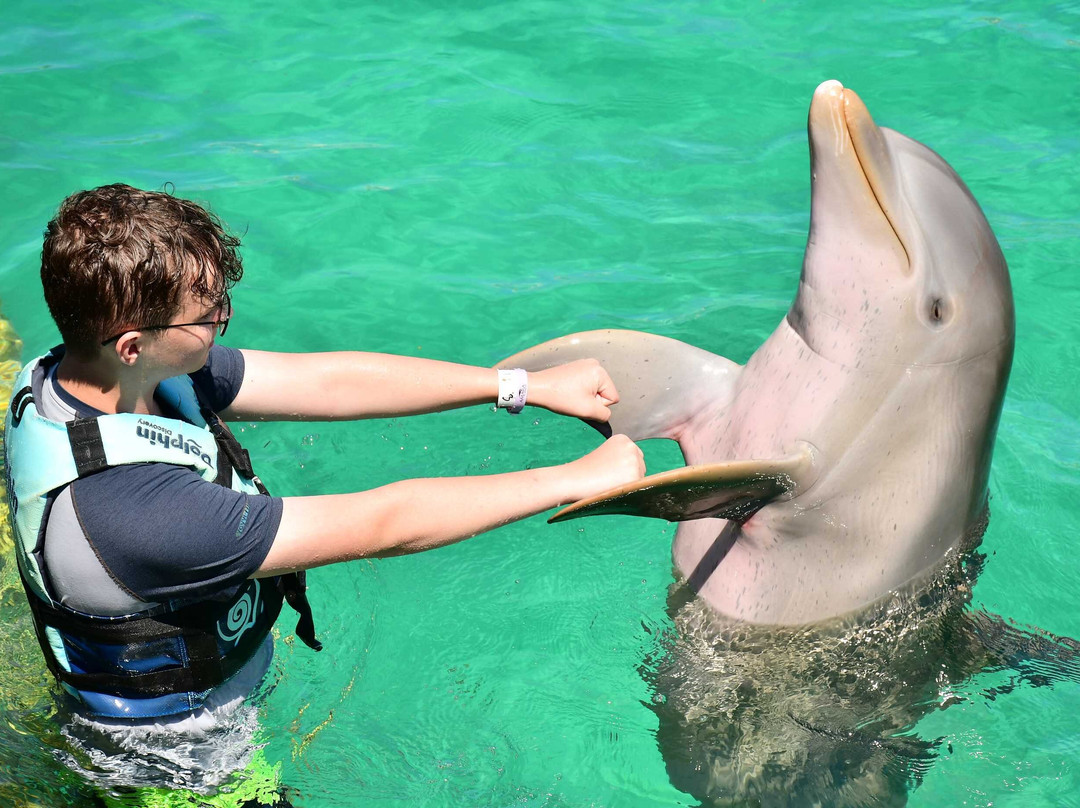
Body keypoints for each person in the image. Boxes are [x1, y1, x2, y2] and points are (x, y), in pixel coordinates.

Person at [2, 184, 645, 807]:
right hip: (180, 766)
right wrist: (577, 478)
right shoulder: (139, 514)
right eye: (207, 314)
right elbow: (385, 524)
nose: (222, 321)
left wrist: (522, 385)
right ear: (132, 345)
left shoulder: (84, 375)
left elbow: (324, 383)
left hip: (180, 670)